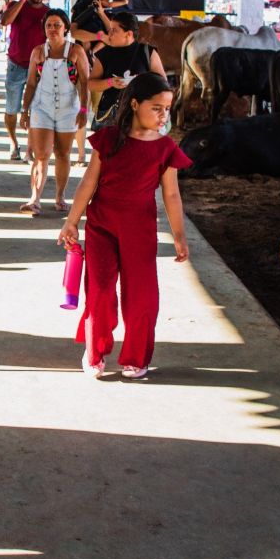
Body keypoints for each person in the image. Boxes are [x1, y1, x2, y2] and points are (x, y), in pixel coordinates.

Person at [58, 72, 191, 380]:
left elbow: (171, 194)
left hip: (140, 232)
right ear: (134, 104)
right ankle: (95, 350)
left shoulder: (166, 148)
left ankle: (136, 355)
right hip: (101, 227)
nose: (163, 115)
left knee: (142, 296)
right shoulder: (108, 139)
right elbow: (89, 182)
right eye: (156, 107)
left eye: (167, 108)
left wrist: (180, 236)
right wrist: (71, 222)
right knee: (100, 291)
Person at [18, 9, 90, 215]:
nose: (52, 29)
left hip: (69, 109)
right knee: (41, 154)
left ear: (66, 28)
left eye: (57, 25)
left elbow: (84, 83)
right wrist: (25, 110)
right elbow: (31, 83)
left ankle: (60, 196)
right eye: (49, 25)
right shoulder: (38, 52)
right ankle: (35, 198)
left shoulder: (76, 52)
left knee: (63, 153)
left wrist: (84, 109)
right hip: (42, 107)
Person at [1, 0, 51, 161]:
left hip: (39, 67)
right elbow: (5, 21)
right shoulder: (17, 6)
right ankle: (13, 142)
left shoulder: (48, 12)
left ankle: (31, 147)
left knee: (35, 109)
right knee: (12, 108)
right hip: (16, 65)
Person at [87, 11, 166, 129]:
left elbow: (162, 83)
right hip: (110, 114)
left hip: (141, 114)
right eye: (110, 29)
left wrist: (141, 83)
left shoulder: (146, 52)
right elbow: (91, 84)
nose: (109, 34)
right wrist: (111, 82)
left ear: (128, 34)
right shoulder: (104, 54)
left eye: (114, 30)